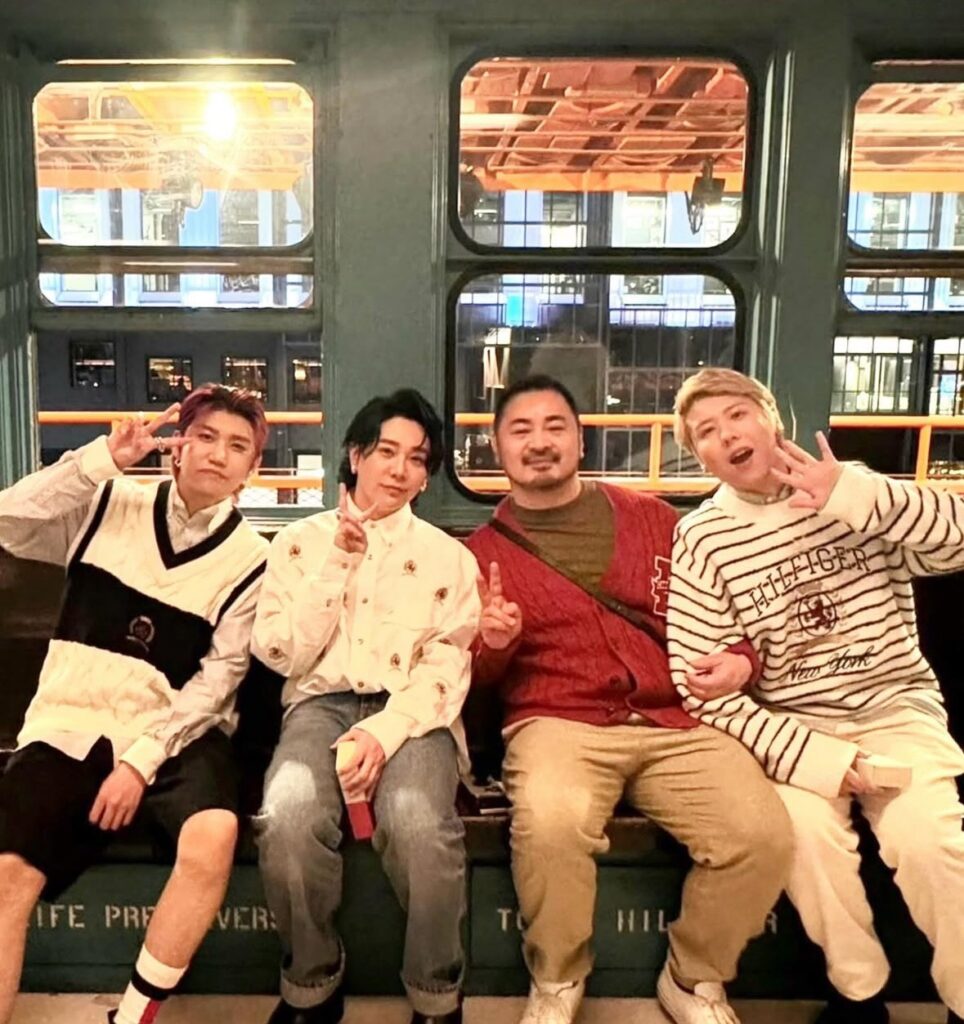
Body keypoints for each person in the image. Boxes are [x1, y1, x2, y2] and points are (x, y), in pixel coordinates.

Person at [466, 374, 793, 1024]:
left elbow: (730, 612)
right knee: (552, 824)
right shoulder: (481, 555)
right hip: (557, 721)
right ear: (498, 449)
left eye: (555, 427)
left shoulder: (653, 520)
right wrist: (494, 644)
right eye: (520, 430)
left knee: (762, 836)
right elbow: (473, 682)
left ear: (580, 441)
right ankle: (557, 978)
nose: (539, 443)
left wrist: (742, 658)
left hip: (675, 717)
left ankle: (692, 975)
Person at [668, 367, 964, 1024]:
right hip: (794, 726)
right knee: (801, 838)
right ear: (701, 458)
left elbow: (958, 539)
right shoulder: (702, 537)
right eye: (706, 433)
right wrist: (819, 760)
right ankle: (859, 995)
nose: (727, 436)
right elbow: (700, 688)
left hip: (894, 709)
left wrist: (854, 494)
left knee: (930, 842)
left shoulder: (852, 491)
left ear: (772, 419)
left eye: (737, 415)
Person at [0, 385, 270, 1024]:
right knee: (8, 874)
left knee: (214, 833)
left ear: (253, 468)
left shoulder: (254, 560)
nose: (218, 455)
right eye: (205, 437)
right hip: (72, 721)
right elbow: (8, 520)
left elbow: (217, 681)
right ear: (177, 447)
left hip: (176, 731)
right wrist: (101, 460)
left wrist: (139, 762)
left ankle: (133, 1016)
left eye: (237, 447)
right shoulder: (105, 502)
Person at [252, 389, 480, 1024]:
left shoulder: (449, 557)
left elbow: (447, 665)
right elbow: (280, 652)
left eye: (417, 458)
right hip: (318, 706)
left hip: (413, 712)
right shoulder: (297, 543)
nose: (400, 470)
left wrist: (384, 731)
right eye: (386, 452)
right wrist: (337, 564)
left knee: (418, 824)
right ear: (355, 456)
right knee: (288, 816)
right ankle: (312, 982)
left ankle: (436, 995)